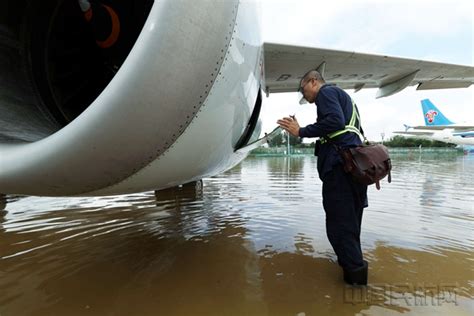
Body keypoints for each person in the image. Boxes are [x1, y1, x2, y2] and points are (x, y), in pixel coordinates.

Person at [277, 70, 369, 285]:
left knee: (340, 225)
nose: (304, 95)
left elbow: (334, 122)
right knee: (351, 223)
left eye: (303, 89)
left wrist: (300, 131)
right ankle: (356, 274)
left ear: (313, 81)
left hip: (340, 169)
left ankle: (355, 283)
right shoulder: (345, 99)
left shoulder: (326, 93)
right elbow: (341, 125)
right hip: (355, 169)